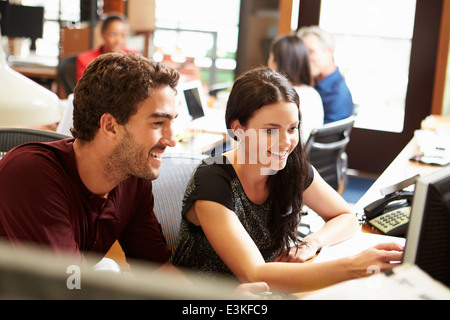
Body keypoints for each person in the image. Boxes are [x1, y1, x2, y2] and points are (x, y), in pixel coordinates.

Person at [171, 66, 403, 293]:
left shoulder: (291, 167)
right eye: (270, 130)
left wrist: (313, 242)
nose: (286, 142)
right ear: (238, 130)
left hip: (267, 292)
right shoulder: (212, 177)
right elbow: (254, 273)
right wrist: (353, 266)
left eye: (292, 128)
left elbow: (345, 216)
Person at [268, 34, 324, 142]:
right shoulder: (314, 94)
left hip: (283, 155)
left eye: (270, 58)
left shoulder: (281, 98)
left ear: (275, 64)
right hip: (303, 156)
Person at [297, 26, 354, 124]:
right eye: (302, 53)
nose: (305, 58)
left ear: (329, 51)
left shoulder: (336, 94)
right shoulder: (315, 83)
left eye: (311, 52)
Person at [76, 14, 139, 81]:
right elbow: (85, 88)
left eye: (123, 35)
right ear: (103, 33)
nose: (118, 40)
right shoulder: (85, 60)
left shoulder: (134, 57)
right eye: (113, 34)